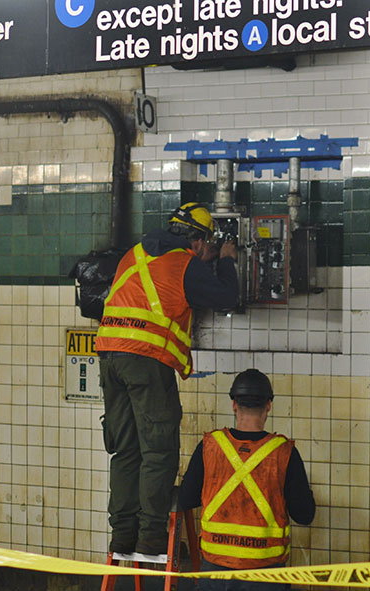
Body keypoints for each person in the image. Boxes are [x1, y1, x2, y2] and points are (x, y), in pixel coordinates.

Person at [95, 202, 239, 557]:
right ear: (199, 240)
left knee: (125, 448)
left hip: (109, 355)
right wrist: (227, 259)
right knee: (158, 449)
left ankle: (122, 536)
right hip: (145, 360)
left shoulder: (136, 254)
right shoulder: (185, 263)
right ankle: (151, 537)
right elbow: (227, 297)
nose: (206, 253)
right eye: (207, 246)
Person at [179, 369, 316, 590]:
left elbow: (186, 498)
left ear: (234, 404)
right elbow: (305, 514)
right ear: (268, 405)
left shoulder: (210, 446)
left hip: (214, 572)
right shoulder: (283, 453)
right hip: (265, 575)